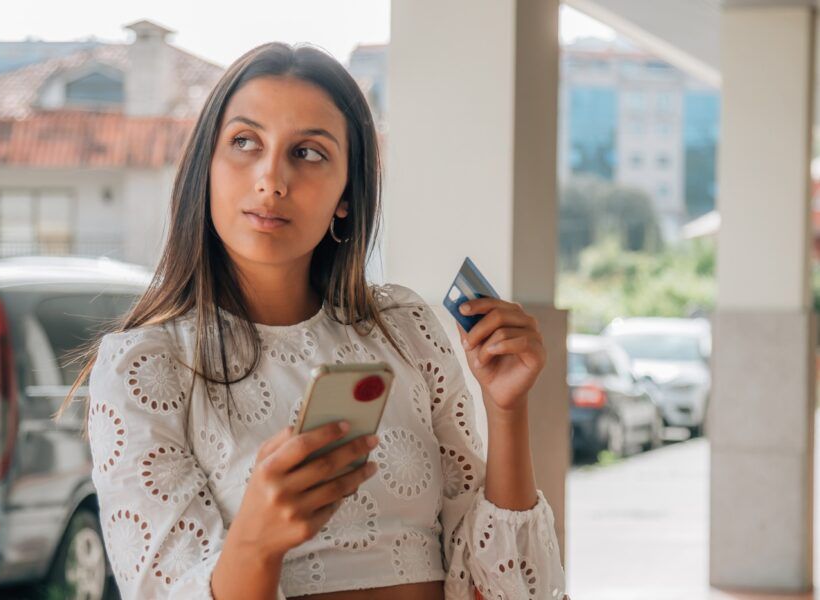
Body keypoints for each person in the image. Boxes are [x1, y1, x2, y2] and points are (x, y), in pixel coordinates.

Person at [57, 41, 568, 600]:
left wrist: (507, 411)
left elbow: (513, 590)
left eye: (308, 153)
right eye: (245, 142)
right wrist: (256, 542)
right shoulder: (144, 369)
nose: (271, 179)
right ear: (206, 168)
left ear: (346, 194)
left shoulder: (405, 329)